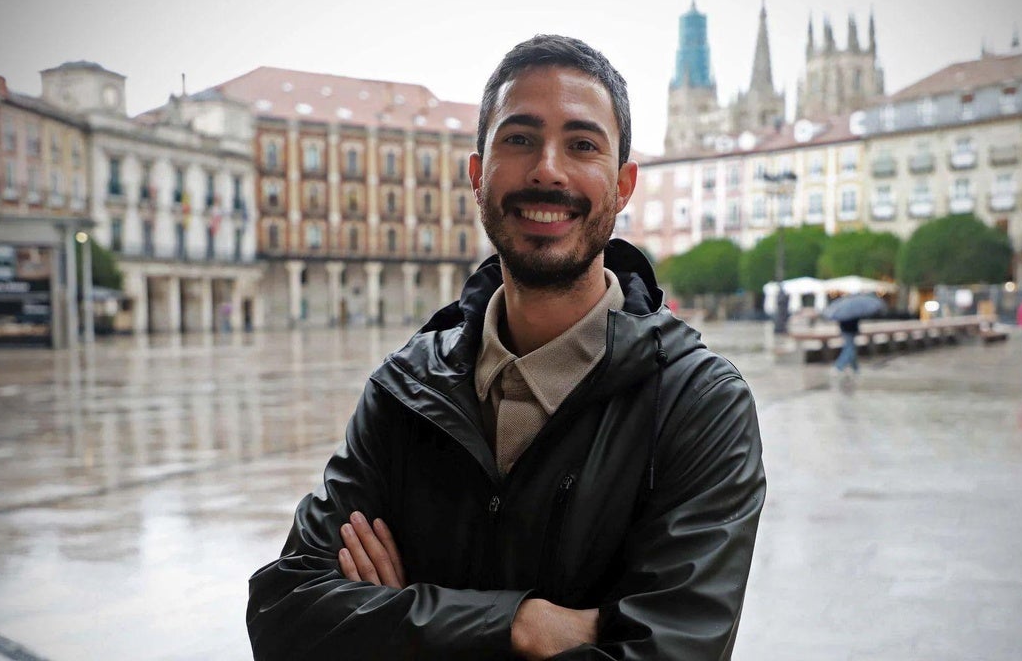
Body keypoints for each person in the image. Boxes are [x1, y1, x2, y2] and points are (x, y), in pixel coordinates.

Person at [246, 35, 766, 660]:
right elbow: (285, 615)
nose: (548, 169)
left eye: (582, 144)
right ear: (477, 174)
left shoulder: (698, 403)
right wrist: (520, 627)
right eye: (519, 139)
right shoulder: (407, 387)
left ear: (623, 185)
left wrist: (398, 620)